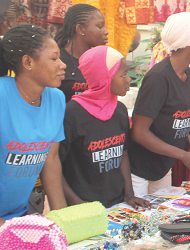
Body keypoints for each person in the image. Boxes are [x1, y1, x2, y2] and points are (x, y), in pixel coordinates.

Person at [60, 45, 151, 210]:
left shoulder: (120, 110)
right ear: (104, 78)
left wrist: (129, 194)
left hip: (116, 203)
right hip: (83, 205)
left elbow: (123, 154)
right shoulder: (71, 114)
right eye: (123, 75)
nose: (128, 79)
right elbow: (55, 166)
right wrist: (76, 203)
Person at [128, 12, 190, 196]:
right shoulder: (159, 78)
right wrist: (182, 155)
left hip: (164, 166)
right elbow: (139, 132)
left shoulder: (187, 75)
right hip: (140, 171)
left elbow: (178, 119)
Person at [0, 24, 68, 225]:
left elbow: (51, 160)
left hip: (18, 214)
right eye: (54, 58)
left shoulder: (56, 99)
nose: (62, 64)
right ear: (28, 62)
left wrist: (62, 221)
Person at [54, 4, 109, 102]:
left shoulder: (103, 62)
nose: (106, 32)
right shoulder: (57, 61)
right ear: (80, 29)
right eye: (99, 27)